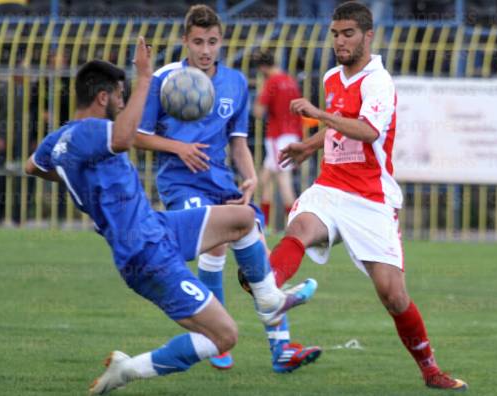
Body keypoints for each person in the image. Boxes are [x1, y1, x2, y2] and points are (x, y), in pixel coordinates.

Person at [24, 37, 316, 395]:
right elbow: (124, 137)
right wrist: (145, 77)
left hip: (158, 227)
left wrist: (78, 179)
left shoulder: (58, 140)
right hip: (145, 253)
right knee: (224, 336)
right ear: (102, 98)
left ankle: (268, 297)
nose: (123, 101)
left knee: (242, 218)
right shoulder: (93, 131)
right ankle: (127, 369)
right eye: (119, 95)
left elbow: (32, 166)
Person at [267, 2, 468, 391]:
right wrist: (311, 145)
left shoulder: (379, 81)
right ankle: (267, 289)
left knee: (393, 295)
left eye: (348, 34)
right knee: (299, 228)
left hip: (370, 199)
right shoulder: (331, 77)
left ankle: (430, 371)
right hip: (330, 187)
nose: (340, 42)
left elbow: (367, 131)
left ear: (367, 35)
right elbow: (338, 130)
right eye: (335, 34)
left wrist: (317, 115)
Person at [134, 4, 321, 372]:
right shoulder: (165, 78)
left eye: (213, 42)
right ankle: (216, 340)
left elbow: (237, 142)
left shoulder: (235, 83)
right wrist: (179, 148)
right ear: (185, 41)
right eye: (198, 42)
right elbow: (138, 136)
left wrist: (250, 177)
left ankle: (281, 350)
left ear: (222, 42)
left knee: (256, 245)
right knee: (216, 241)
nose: (205, 50)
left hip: (221, 181)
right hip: (179, 181)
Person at [252, 50, 302, 230]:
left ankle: (295, 225)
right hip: (293, 134)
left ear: (262, 67)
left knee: (282, 180)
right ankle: (263, 225)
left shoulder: (272, 82)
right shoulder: (290, 80)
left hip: (277, 135)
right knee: (266, 180)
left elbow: (258, 111)